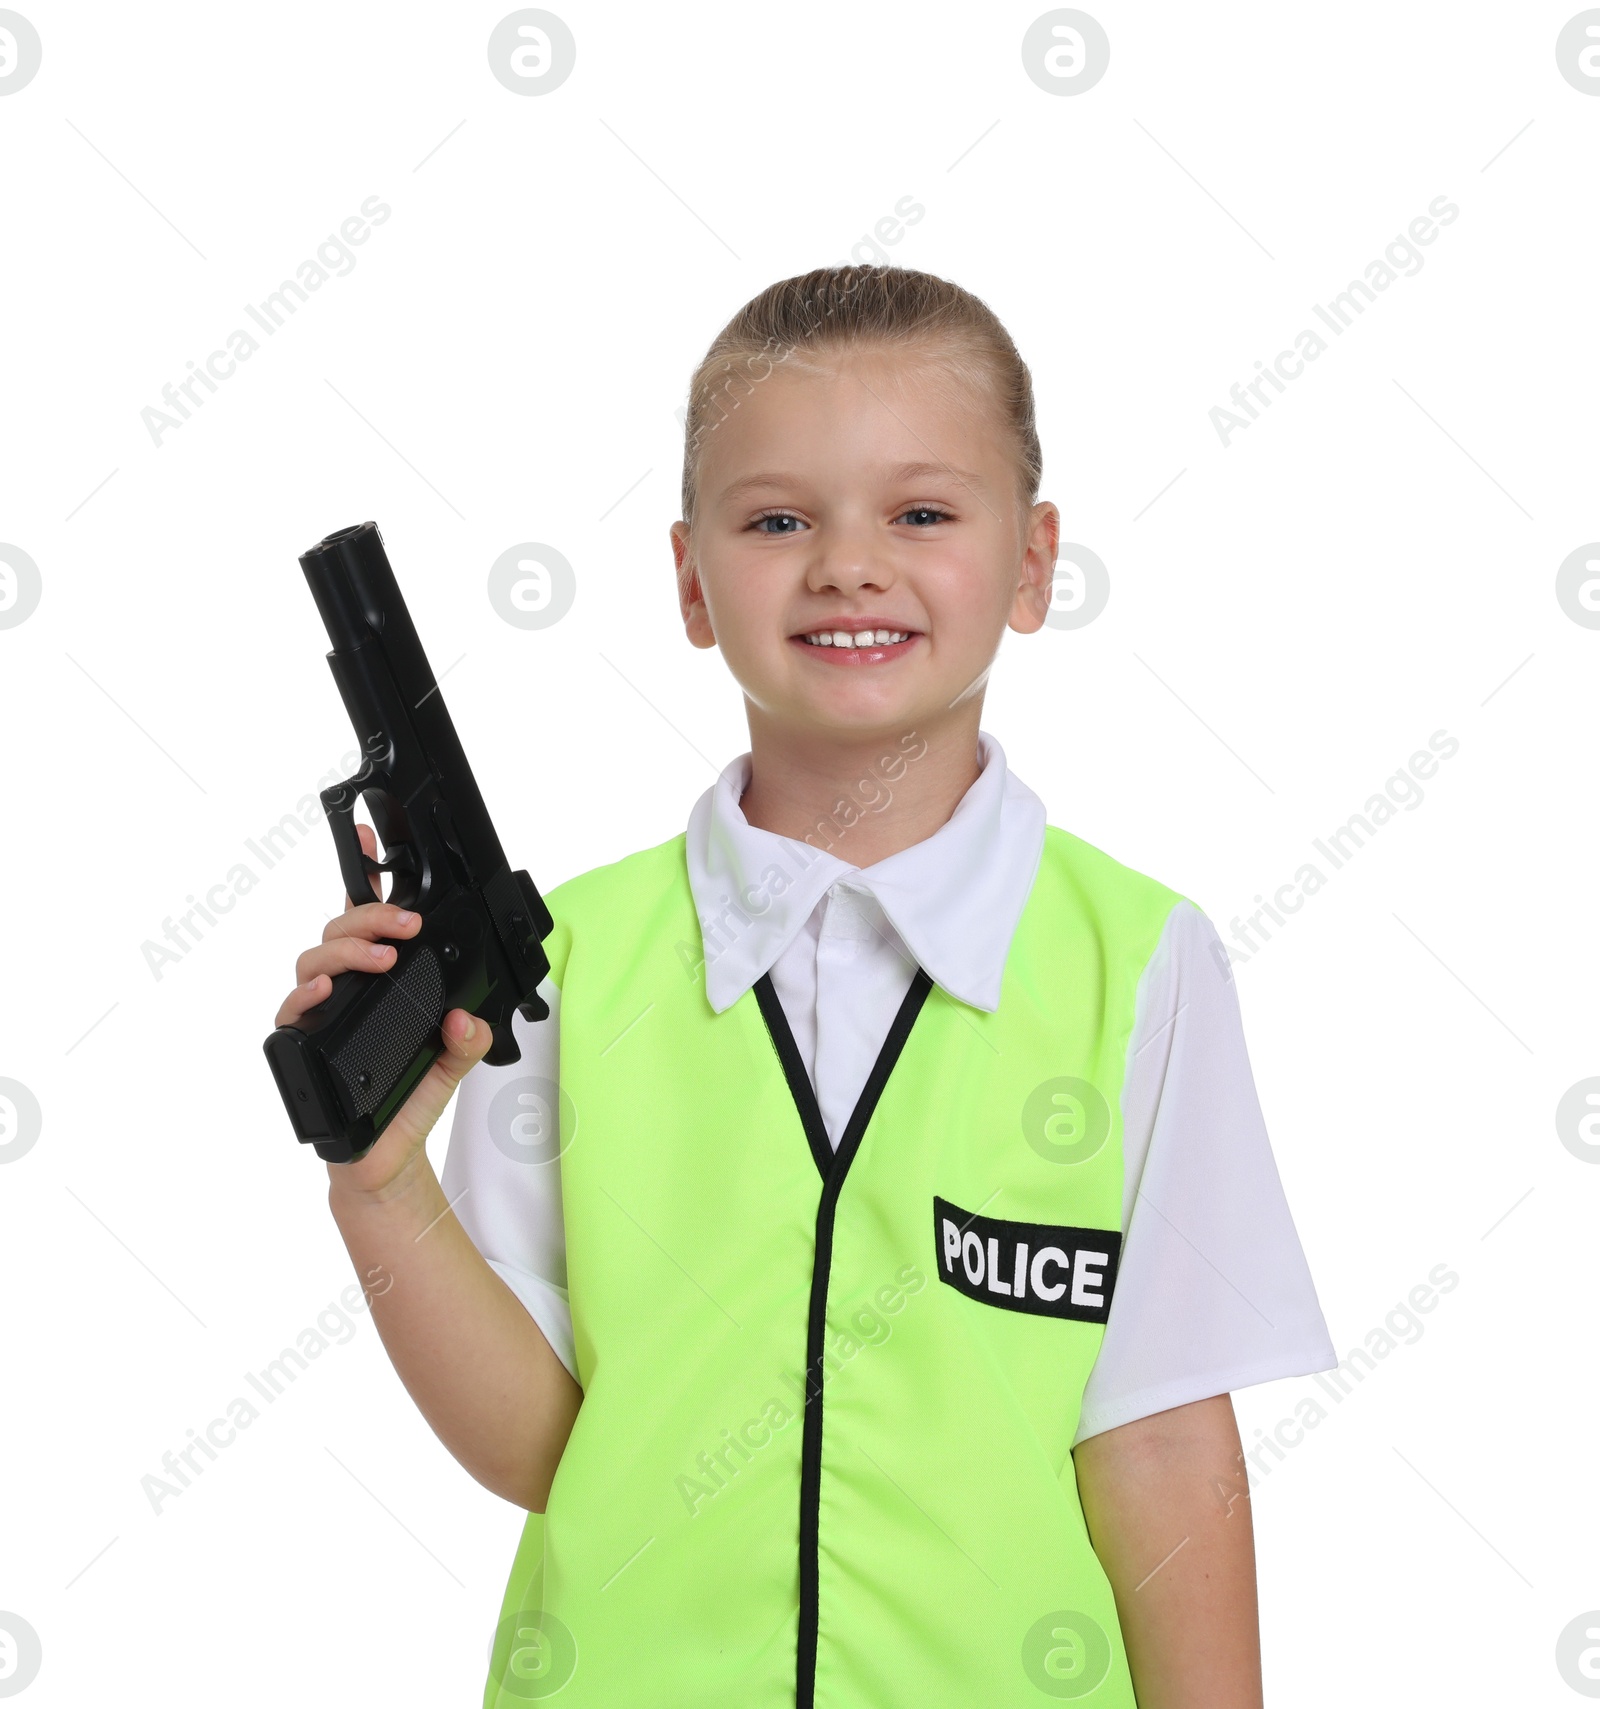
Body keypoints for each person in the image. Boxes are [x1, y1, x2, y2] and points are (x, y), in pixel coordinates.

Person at [273, 264, 1337, 1707]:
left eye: (921, 512)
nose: (848, 563)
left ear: (1031, 565)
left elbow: (1159, 1443)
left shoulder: (1137, 962)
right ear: (693, 581)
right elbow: (543, 1442)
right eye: (779, 519)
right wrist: (382, 1188)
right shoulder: (565, 970)